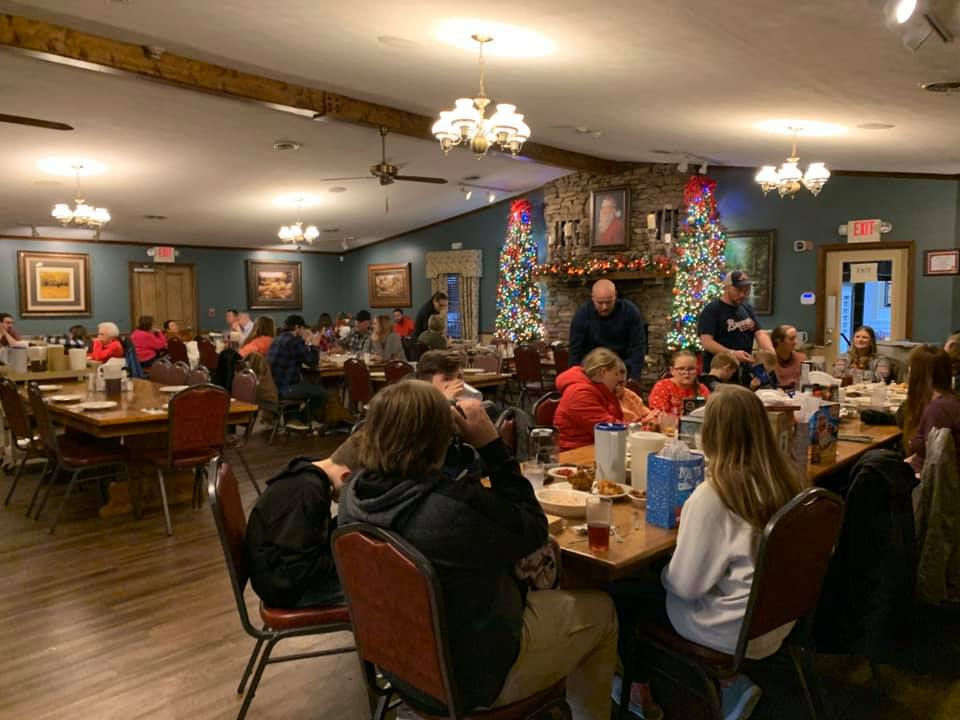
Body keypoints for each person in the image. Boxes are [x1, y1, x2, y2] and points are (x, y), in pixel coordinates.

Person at [337, 381, 618, 717]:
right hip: (474, 680)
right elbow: (532, 528)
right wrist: (491, 446)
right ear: (441, 438)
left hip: (400, 665)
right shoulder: (451, 509)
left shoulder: (353, 493)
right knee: (602, 610)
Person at [609, 385, 806, 720]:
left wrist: (661, 569)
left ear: (709, 433)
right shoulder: (787, 479)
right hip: (778, 619)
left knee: (623, 590)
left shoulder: (714, 494)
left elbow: (685, 586)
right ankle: (730, 683)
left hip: (728, 630)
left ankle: (640, 691)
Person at [245, 432, 362, 608]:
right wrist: (351, 561)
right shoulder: (307, 491)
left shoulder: (308, 473)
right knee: (378, 591)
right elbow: (300, 567)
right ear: (346, 477)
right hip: (286, 589)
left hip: (281, 576)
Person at [555, 348, 655, 451]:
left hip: (598, 447)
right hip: (576, 452)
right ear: (602, 372)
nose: (619, 379)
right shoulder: (579, 394)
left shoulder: (599, 390)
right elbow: (608, 429)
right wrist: (643, 427)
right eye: (616, 374)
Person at [697, 270, 773, 379]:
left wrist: (771, 352)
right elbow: (707, 342)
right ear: (726, 287)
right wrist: (732, 353)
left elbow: (759, 333)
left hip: (743, 370)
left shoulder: (746, 307)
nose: (742, 294)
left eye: (746, 290)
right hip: (721, 371)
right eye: (738, 290)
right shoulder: (712, 309)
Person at [569, 279, 646, 380]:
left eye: (609, 302)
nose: (604, 307)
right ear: (593, 298)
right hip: (592, 369)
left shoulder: (630, 311)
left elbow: (638, 347)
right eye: (600, 303)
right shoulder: (582, 314)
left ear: (615, 296)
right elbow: (575, 351)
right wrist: (576, 378)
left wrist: (634, 377)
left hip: (622, 367)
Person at [903, 345, 960, 474]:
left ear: (919, 373)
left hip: (929, 481)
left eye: (911, 367)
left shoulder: (938, 409)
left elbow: (937, 464)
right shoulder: (947, 400)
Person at [267, 314, 325, 430]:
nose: (304, 332)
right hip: (286, 388)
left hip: (273, 387)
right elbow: (312, 362)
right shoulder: (293, 341)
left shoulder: (277, 338)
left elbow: (298, 356)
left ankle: (292, 419)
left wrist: (305, 342)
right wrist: (315, 345)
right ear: (297, 327)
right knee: (322, 393)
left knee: (303, 384)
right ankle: (300, 419)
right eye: (303, 329)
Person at [648, 350, 711, 417]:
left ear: (697, 370)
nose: (686, 372)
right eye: (681, 369)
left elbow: (709, 414)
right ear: (672, 370)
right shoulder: (662, 386)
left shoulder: (702, 389)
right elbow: (658, 415)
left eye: (691, 369)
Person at [770, 324, 807, 391]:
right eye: (791, 339)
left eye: (796, 338)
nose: (796, 342)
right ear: (778, 341)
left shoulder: (802, 359)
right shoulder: (769, 361)